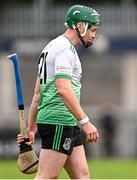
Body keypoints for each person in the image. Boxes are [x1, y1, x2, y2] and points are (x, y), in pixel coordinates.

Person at [17, 4, 101, 179]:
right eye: (92, 30)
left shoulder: (50, 47)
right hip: (58, 122)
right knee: (47, 176)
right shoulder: (65, 49)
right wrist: (85, 122)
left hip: (67, 122)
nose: (94, 35)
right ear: (80, 26)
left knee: (82, 175)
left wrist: (31, 129)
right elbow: (63, 89)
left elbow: (37, 95)